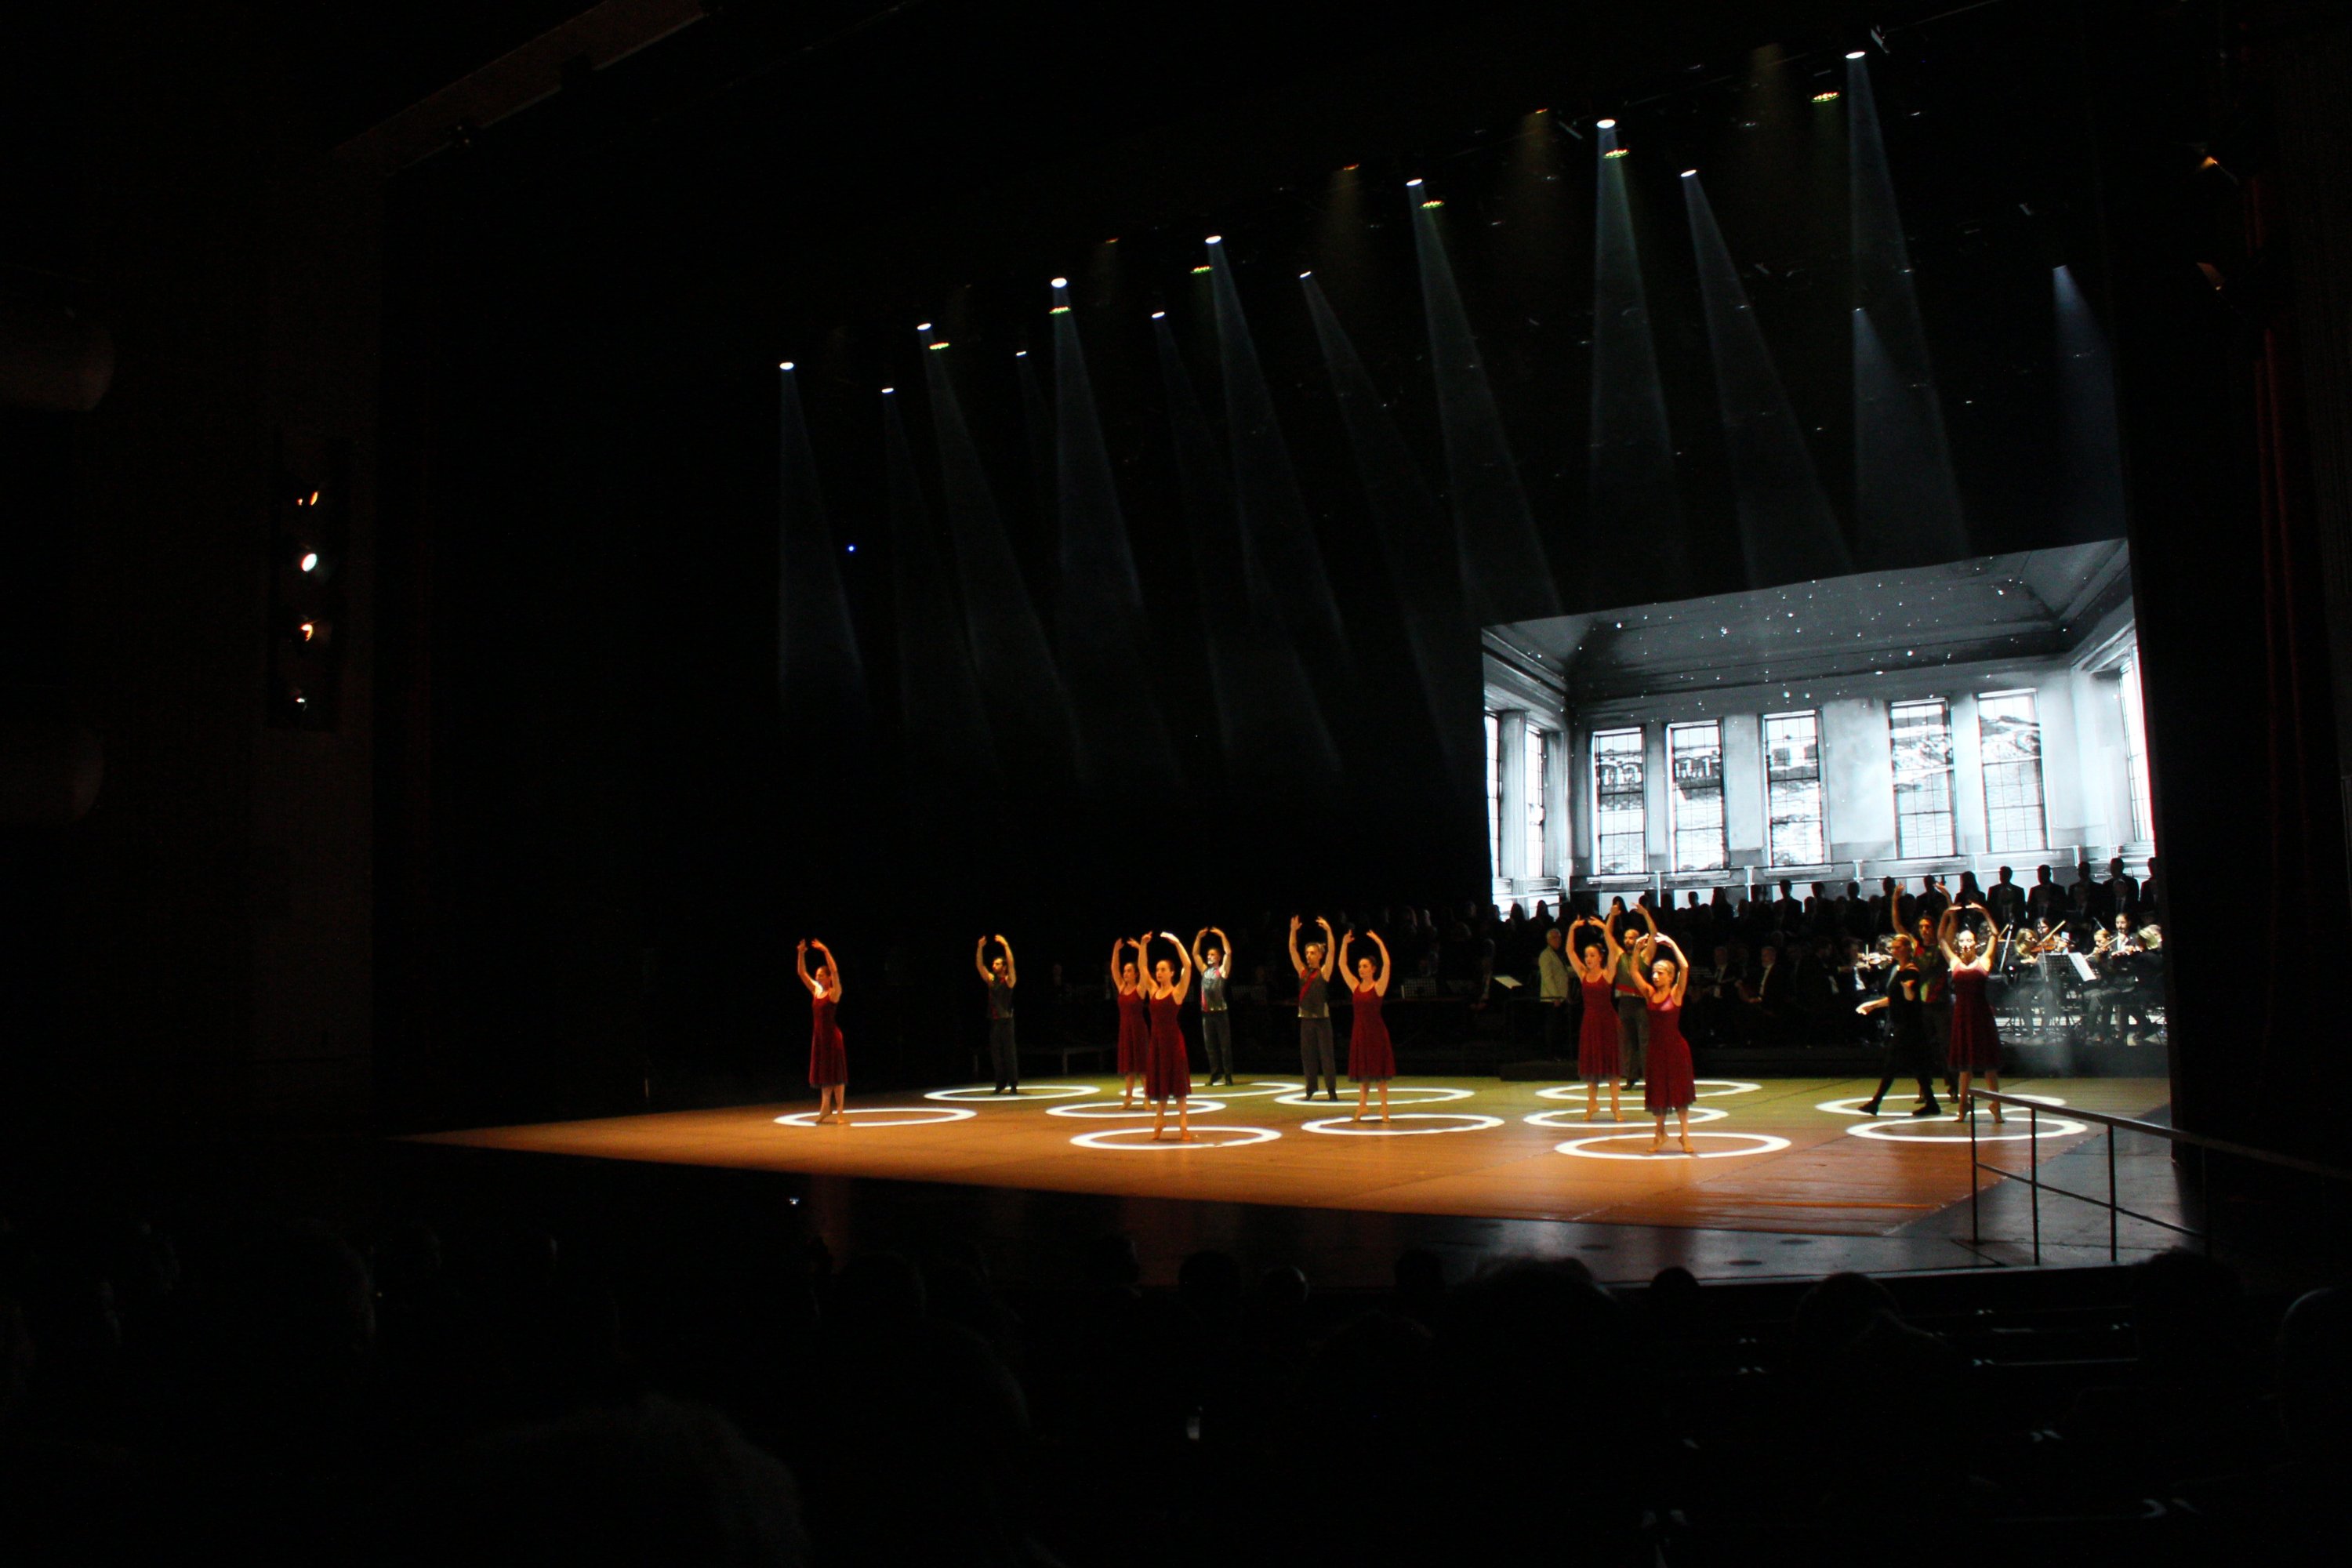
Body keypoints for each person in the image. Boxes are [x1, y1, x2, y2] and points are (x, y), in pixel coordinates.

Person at [1624, 933, 1696, 1154]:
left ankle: (1684, 1136)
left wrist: (1672, 944)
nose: (1655, 976)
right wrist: (1637, 949)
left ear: (1670, 976)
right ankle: (1659, 1133)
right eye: (1654, 972)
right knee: (1658, 1093)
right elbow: (1634, 972)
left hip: (1675, 1050)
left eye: (1660, 973)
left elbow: (1685, 967)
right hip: (1656, 1050)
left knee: (1679, 1093)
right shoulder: (1649, 993)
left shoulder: (1676, 993)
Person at [1855, 934, 1941, 1116]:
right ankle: (1932, 1104)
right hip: (1905, 1024)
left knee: (1891, 1065)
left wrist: (1907, 987)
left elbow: (1910, 997)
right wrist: (1873, 1005)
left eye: (1897, 947)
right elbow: (1894, 999)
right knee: (1918, 1067)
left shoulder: (1911, 971)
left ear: (1907, 949)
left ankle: (1875, 1102)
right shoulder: (1900, 970)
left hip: (1910, 1026)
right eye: (1892, 948)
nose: (1893, 951)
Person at [1939, 904, 2005, 1122]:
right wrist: (1946, 915)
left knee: (1988, 1066)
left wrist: (1985, 913)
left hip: (1981, 1017)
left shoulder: (1984, 961)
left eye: (1970, 940)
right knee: (1964, 1067)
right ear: (1959, 944)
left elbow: (1995, 934)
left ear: (1976, 943)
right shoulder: (1955, 962)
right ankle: (1962, 1106)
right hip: (1962, 1017)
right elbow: (1941, 938)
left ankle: (1996, 1106)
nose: (1966, 944)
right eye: (1963, 940)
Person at [1568, 916, 1623, 1120]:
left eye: (1592, 955)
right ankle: (1591, 1104)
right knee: (1592, 1065)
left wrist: (1604, 928)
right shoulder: (1582, 974)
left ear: (1600, 957)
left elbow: (1613, 950)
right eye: (1586, 955)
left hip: (1607, 1022)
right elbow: (1569, 952)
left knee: (1611, 1066)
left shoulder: (1607, 974)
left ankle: (1615, 1105)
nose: (1588, 958)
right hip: (1590, 1022)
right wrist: (1572, 929)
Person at [1142, 933, 1196, 1141]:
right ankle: (1159, 1121)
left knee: (1178, 1087)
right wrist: (1144, 946)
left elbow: (1189, 966)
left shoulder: (1177, 993)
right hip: (1157, 1044)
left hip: (1173, 1044)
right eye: (1158, 970)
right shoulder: (1154, 991)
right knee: (1161, 1085)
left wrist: (1177, 943)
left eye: (1163, 969)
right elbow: (1142, 967)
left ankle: (1184, 1126)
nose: (1159, 972)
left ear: (1172, 973)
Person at [1340, 927, 1396, 1122]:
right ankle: (1362, 1106)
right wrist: (1344, 945)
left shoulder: (1378, 986)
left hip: (1376, 1034)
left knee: (1379, 1074)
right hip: (1359, 1033)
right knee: (1363, 1073)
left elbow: (1388, 964)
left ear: (1373, 968)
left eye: (1365, 966)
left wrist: (1380, 943)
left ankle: (1384, 1109)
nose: (1361, 969)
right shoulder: (1355, 985)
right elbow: (1342, 966)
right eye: (1360, 966)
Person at [1606, 902, 1657, 1087]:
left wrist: (1645, 914)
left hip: (1641, 1004)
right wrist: (1612, 916)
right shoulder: (1619, 955)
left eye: (1632, 937)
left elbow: (1654, 934)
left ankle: (1649, 1077)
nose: (1628, 940)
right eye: (1626, 937)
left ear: (1638, 940)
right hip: (1624, 1004)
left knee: (1645, 1041)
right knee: (1627, 1042)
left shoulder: (1645, 956)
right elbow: (1608, 936)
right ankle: (1630, 1076)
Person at [1289, 915, 1340, 1102]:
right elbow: (1292, 949)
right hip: (1306, 1019)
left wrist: (1329, 931)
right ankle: (1310, 1089)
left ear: (1320, 955)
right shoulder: (1302, 972)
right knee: (1308, 1055)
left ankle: (1331, 1089)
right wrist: (1293, 931)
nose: (1308, 956)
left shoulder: (1324, 972)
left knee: (1327, 1055)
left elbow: (1333, 952)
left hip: (1322, 1019)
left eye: (1312, 953)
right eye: (1308, 953)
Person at [796, 938, 848, 1123]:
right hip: (819, 1039)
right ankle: (825, 1108)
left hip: (833, 1039)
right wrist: (801, 953)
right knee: (826, 1076)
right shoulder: (816, 991)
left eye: (820, 975)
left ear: (828, 978)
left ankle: (840, 1112)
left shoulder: (835, 992)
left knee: (837, 1076)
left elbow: (834, 970)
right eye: (817, 975)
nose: (817, 977)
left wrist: (826, 951)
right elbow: (801, 973)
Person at [975, 933, 1019, 1094]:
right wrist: (980, 948)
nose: (994, 965)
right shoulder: (992, 980)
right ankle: (1000, 1083)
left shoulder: (1009, 980)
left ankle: (1013, 1083)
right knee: (996, 1054)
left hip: (1006, 1021)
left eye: (998, 963)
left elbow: (1012, 965)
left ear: (1004, 967)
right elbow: (980, 967)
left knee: (1009, 1053)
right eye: (993, 963)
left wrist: (1006, 946)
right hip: (994, 1021)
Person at [1192, 927, 1236, 1086]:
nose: (1209, 956)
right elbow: (1195, 954)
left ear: (1218, 957)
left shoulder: (1222, 971)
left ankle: (1228, 1074)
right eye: (1208, 954)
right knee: (1210, 1046)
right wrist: (1198, 937)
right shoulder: (1204, 971)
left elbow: (1229, 954)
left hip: (1220, 1013)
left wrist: (1223, 935)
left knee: (1225, 1045)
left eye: (1212, 954)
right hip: (1206, 1014)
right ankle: (1215, 1073)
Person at [1112, 937, 1149, 1109]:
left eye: (1129, 971)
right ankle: (1128, 1098)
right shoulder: (1121, 987)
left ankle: (1147, 1098)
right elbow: (1114, 969)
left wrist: (1141, 948)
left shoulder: (1140, 989)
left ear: (1135, 974)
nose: (1125, 974)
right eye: (1124, 971)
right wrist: (1116, 951)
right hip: (1125, 1030)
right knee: (1129, 1067)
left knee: (1142, 1068)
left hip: (1138, 1030)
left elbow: (1143, 966)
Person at [1537, 924, 1573, 1058]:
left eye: (1559, 937)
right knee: (1552, 1027)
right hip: (1552, 998)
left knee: (1559, 1027)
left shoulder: (1558, 955)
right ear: (1548, 940)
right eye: (1554, 938)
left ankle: (1559, 1052)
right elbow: (1548, 978)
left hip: (1561, 996)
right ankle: (1551, 1054)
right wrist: (1555, 996)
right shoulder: (1546, 955)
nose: (1558, 940)